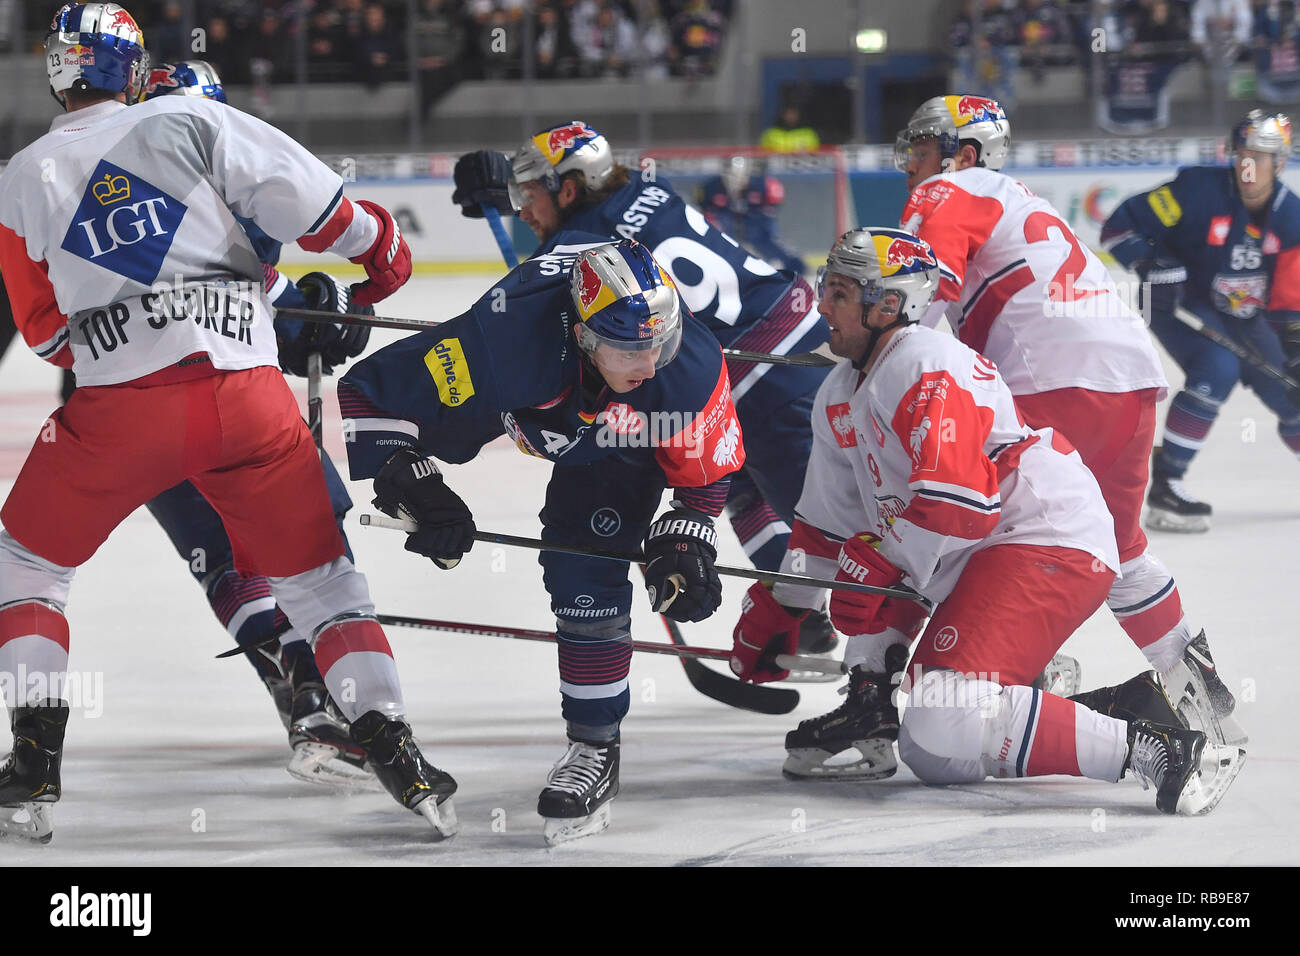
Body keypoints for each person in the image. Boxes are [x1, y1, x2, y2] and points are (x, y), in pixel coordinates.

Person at [0, 3, 453, 842]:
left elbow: (48, 338)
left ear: (59, 72)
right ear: (132, 68)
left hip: (117, 415)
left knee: (27, 564)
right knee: (323, 584)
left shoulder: (19, 176)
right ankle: (399, 752)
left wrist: (128, 319)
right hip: (249, 403)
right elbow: (319, 208)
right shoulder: (189, 119)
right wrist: (379, 255)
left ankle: (34, 757)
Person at [727, 228, 1240, 816]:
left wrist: (877, 566)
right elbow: (825, 531)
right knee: (934, 752)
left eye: (840, 293)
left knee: (942, 705)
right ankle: (1117, 705)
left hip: (1044, 536)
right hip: (982, 550)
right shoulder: (839, 393)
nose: (821, 306)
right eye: (826, 289)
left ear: (888, 304)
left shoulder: (925, 362)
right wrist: (781, 605)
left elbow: (957, 504)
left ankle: (1158, 746)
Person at [336, 237, 743, 844]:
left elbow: (707, 472)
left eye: (660, 342)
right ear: (582, 336)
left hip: (611, 442)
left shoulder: (685, 366)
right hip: (524, 397)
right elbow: (367, 394)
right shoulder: (498, 347)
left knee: (582, 568)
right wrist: (413, 482)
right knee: (578, 548)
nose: (652, 362)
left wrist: (686, 533)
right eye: (630, 348)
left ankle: (595, 747)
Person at [892, 95, 1243, 745]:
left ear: (961, 154)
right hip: (1129, 380)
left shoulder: (947, 190)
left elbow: (917, 296)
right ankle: (1199, 686)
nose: (910, 164)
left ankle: (1007, 668)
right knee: (1120, 544)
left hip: (1051, 385)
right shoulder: (1019, 197)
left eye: (920, 148)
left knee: (959, 512)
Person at [450, 122, 837, 664]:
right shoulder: (647, 191)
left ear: (567, 190)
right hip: (796, 339)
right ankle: (807, 623)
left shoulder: (581, 249)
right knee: (743, 492)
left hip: (762, 379)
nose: (521, 211)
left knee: (837, 537)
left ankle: (891, 670)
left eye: (529, 195)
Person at [135, 60, 376, 787]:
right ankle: (318, 692)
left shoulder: (114, 185)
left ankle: (303, 695)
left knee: (222, 561)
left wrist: (317, 313)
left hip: (135, 412)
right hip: (229, 404)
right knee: (302, 547)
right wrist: (318, 309)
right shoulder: (225, 178)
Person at [1101, 109, 1300, 538]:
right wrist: (1151, 262)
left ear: (1280, 162)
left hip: (1245, 317)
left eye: (1262, 157)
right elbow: (1119, 228)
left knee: (1291, 392)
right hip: (1177, 304)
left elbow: (1290, 296)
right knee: (1217, 370)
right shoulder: (1195, 191)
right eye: (1244, 154)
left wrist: (1295, 348)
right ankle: (1167, 487)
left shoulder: (1292, 218)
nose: (1250, 166)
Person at [696, 156, 805, 275]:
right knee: (717, 233)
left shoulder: (764, 186)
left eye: (738, 176)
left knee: (764, 234)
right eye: (730, 176)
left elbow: (769, 215)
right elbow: (707, 213)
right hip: (726, 219)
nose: (734, 181)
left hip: (754, 219)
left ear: (747, 174)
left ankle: (789, 264)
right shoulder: (710, 188)